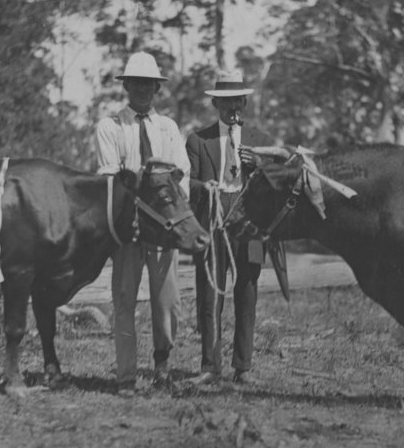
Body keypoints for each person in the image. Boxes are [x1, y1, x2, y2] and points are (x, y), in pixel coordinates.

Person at [95, 52, 191, 392]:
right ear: (126, 86)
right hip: (127, 228)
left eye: (148, 84)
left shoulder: (167, 127)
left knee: (168, 303)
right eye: (135, 83)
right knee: (124, 300)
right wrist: (136, 178)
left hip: (162, 228)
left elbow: (181, 176)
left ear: (156, 87)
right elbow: (110, 177)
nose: (141, 90)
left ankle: (162, 366)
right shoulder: (111, 126)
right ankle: (126, 375)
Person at [187, 70, 275, 387]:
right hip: (212, 222)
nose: (231, 107)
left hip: (248, 223)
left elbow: (275, 183)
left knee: (247, 294)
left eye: (237, 100)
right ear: (215, 103)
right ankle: (211, 366)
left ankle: (244, 367)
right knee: (211, 297)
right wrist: (204, 187)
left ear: (244, 102)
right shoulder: (198, 140)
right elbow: (187, 183)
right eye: (225, 101)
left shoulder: (261, 142)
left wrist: (261, 166)